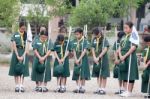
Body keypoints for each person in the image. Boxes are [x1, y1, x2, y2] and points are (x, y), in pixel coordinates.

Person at [118, 21, 139, 97]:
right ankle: (125, 90)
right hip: (123, 57)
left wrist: (125, 56)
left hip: (130, 57)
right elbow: (120, 47)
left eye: (126, 28)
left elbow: (133, 47)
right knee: (124, 73)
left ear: (131, 28)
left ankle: (129, 91)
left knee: (130, 74)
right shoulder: (124, 37)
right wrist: (120, 55)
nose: (125, 29)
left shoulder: (133, 36)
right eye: (124, 28)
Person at [9, 22, 29, 92]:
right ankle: (17, 85)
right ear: (19, 27)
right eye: (22, 28)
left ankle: (21, 85)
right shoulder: (15, 34)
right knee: (16, 68)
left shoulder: (26, 35)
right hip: (16, 52)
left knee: (22, 69)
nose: (23, 29)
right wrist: (17, 55)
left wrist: (23, 55)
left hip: (23, 52)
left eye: (24, 28)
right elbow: (14, 44)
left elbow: (27, 46)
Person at [91, 27, 110, 95]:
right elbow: (92, 48)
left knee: (103, 74)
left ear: (99, 33)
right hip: (96, 58)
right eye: (94, 34)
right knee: (98, 73)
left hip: (103, 58)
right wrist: (94, 57)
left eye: (96, 34)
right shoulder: (94, 39)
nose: (95, 35)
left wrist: (99, 57)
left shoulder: (104, 39)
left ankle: (103, 89)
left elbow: (105, 49)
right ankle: (99, 88)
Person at [72, 28, 90, 93]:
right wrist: (76, 59)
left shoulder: (85, 41)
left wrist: (79, 59)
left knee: (83, 72)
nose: (76, 36)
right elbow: (73, 50)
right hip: (76, 58)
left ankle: (82, 87)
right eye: (75, 34)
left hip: (83, 58)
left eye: (77, 34)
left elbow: (85, 51)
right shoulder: (74, 41)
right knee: (77, 72)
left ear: (81, 34)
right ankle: (77, 87)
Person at [32, 26, 46, 91]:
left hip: (45, 57)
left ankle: (42, 85)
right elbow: (33, 46)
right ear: (39, 30)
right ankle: (37, 85)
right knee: (36, 71)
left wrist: (43, 57)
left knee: (43, 71)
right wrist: (40, 57)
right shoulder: (36, 38)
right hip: (37, 57)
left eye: (44, 30)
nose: (43, 30)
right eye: (42, 29)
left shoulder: (46, 38)